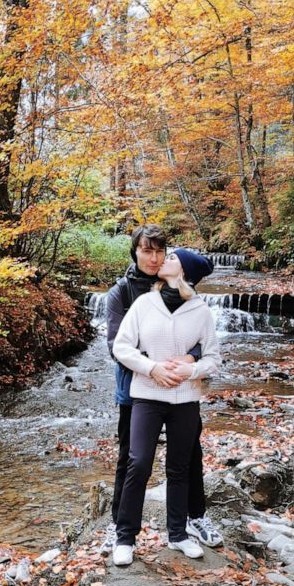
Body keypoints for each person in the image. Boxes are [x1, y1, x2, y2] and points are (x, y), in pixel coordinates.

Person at [101, 227, 222, 555]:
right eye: (147, 251)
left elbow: (199, 341)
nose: (155, 258)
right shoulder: (123, 293)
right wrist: (154, 367)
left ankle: (193, 518)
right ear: (135, 253)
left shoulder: (184, 290)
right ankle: (119, 527)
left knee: (188, 454)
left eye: (160, 252)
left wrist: (190, 359)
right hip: (136, 388)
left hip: (182, 391)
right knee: (132, 458)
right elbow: (116, 345)